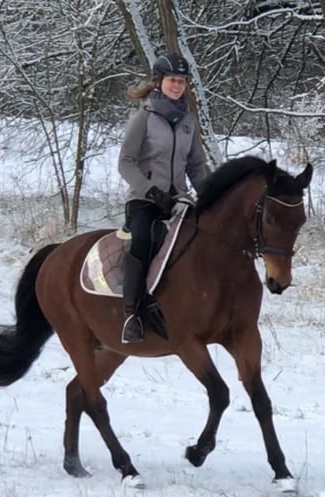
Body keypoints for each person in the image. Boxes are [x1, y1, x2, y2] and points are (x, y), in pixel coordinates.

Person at [117, 52, 210, 344]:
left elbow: (196, 165)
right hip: (144, 200)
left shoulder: (188, 122)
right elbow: (126, 162)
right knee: (144, 237)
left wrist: (210, 193)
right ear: (159, 82)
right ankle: (132, 312)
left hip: (178, 200)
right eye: (172, 80)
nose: (177, 85)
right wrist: (149, 190)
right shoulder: (143, 118)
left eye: (181, 81)